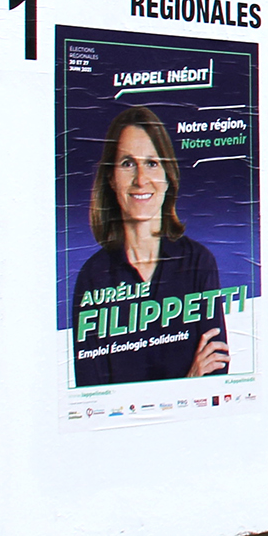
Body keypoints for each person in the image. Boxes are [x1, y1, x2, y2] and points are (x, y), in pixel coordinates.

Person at [71, 106, 233, 386]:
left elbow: (215, 372)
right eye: (127, 163)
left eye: (152, 163)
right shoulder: (93, 278)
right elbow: (92, 393)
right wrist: (188, 380)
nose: (141, 180)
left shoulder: (197, 262)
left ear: (169, 176)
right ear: (111, 178)